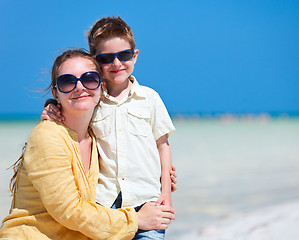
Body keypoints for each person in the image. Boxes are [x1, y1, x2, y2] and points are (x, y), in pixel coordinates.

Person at [0, 49, 175, 240]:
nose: (79, 87)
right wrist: (136, 220)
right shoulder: (47, 135)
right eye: (67, 82)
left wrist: (160, 174)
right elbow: (68, 210)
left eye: (89, 79)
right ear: (55, 94)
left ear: (101, 88)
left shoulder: (95, 139)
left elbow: (126, 160)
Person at [42, 16, 176, 239]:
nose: (116, 64)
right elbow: (70, 125)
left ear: (135, 55)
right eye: (106, 58)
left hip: (146, 199)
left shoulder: (150, 98)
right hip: (104, 202)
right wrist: (50, 109)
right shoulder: (91, 101)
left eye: (124, 55)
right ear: (95, 61)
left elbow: (163, 145)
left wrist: (166, 194)